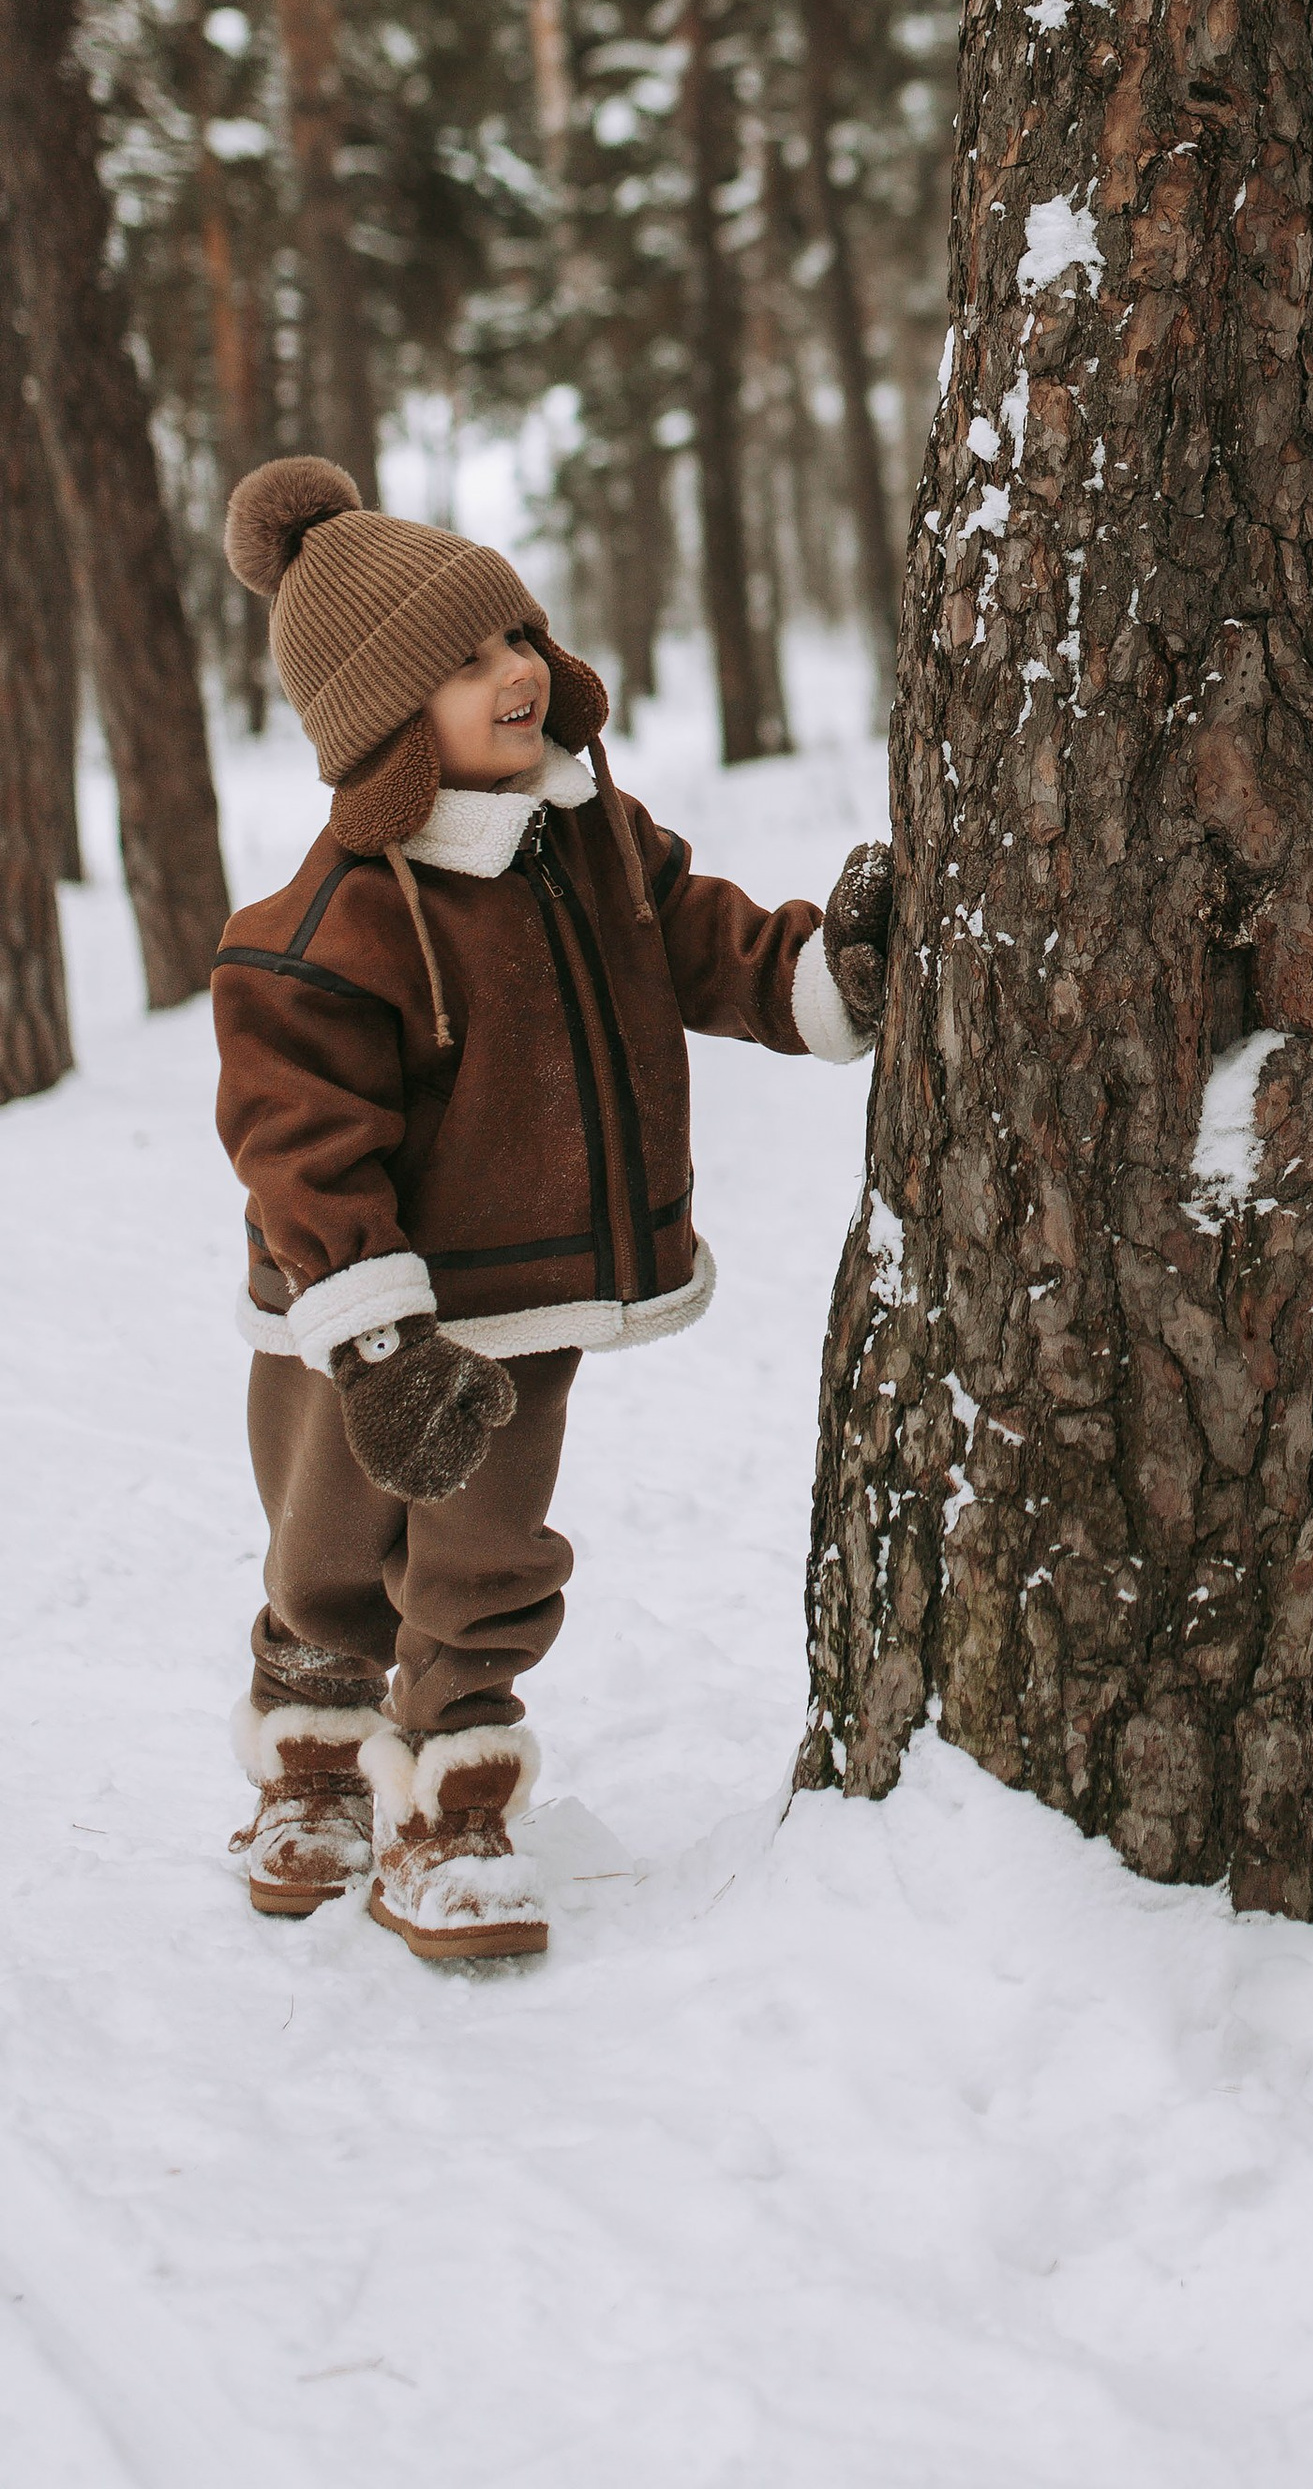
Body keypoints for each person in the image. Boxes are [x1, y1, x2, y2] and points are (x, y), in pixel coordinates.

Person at [214, 455, 893, 1966]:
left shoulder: (588, 834)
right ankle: (315, 1756)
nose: (514, 672)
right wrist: (377, 1345)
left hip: (515, 1298)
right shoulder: (333, 929)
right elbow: (297, 1138)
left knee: (488, 1551)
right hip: (361, 1319)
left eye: (516, 635)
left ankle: (453, 1790)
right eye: (463, 664)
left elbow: (698, 937)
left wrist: (821, 977)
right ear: (388, 719)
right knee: (332, 1543)